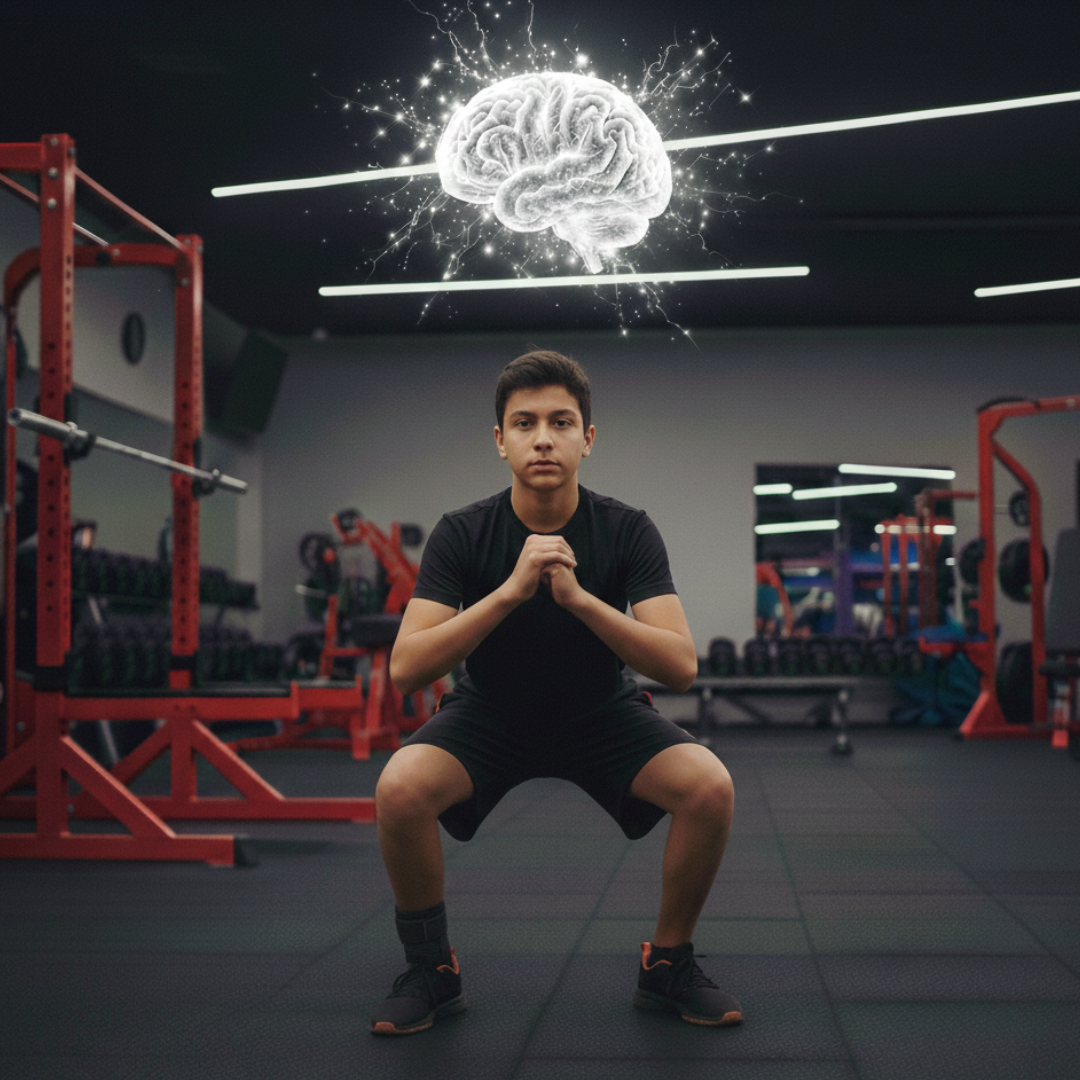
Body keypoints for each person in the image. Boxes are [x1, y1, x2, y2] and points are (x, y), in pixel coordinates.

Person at [371, 350, 741, 1035]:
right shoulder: (462, 532)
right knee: (399, 788)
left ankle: (668, 964)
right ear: (500, 440)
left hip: (600, 711)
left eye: (561, 422)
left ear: (587, 438)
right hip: (489, 712)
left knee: (709, 787)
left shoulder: (626, 529)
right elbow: (406, 667)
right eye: (525, 423)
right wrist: (511, 592)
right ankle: (430, 969)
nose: (543, 438)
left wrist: (579, 600)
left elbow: (680, 665)